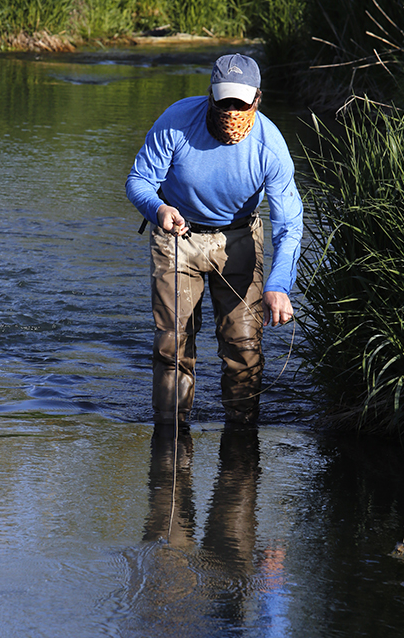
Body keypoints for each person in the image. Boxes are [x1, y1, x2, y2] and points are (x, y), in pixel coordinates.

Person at [126, 53, 303, 427]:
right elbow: (139, 181)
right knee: (174, 343)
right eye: (224, 101)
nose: (232, 110)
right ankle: (170, 429)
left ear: (257, 99)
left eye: (241, 102)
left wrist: (279, 284)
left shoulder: (270, 147)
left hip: (238, 238)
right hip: (178, 235)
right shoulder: (175, 122)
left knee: (243, 344)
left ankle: (241, 433)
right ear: (210, 95)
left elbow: (289, 224)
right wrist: (158, 210)